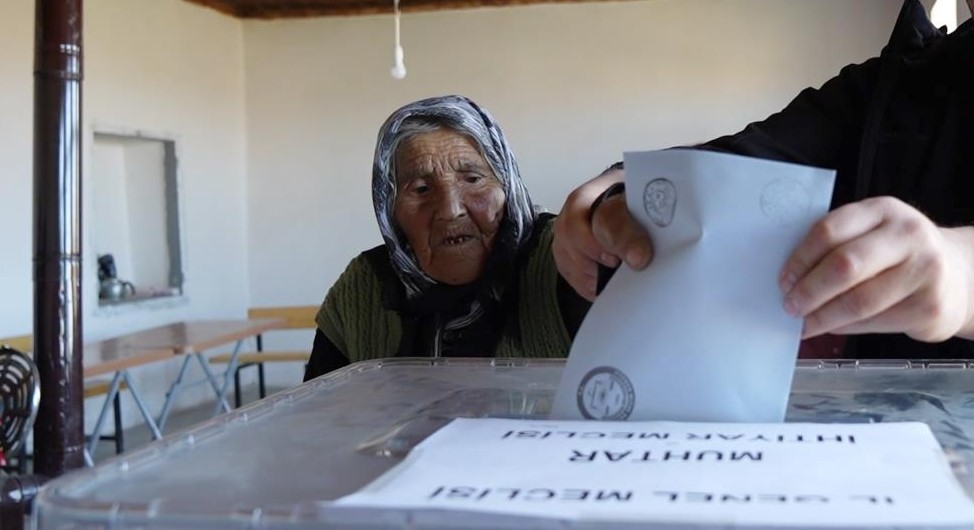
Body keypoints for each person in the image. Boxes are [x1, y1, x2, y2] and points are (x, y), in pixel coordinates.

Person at [552, 0, 974, 359]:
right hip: (883, 431)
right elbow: (744, 159)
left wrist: (961, 274)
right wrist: (617, 188)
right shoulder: (892, 84)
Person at [304, 95, 588, 380]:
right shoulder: (365, 287)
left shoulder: (561, 257)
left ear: (507, 187)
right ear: (389, 210)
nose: (451, 211)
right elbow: (317, 416)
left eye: (473, 179)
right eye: (421, 188)